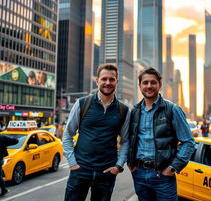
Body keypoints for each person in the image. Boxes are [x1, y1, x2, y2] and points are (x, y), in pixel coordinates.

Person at [63, 64, 130, 201]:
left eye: (112, 79)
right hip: (80, 170)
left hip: (106, 173)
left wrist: (118, 166)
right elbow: (67, 134)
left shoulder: (123, 110)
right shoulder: (83, 103)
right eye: (104, 79)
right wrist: (72, 163)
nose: (107, 83)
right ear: (97, 81)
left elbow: (126, 141)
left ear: (117, 82)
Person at [127, 67, 195, 201]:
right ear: (140, 86)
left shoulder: (172, 110)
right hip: (139, 174)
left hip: (163, 176)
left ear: (160, 85)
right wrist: (131, 165)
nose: (149, 86)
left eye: (153, 82)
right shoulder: (134, 111)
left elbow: (188, 142)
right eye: (145, 83)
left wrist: (172, 168)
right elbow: (129, 140)